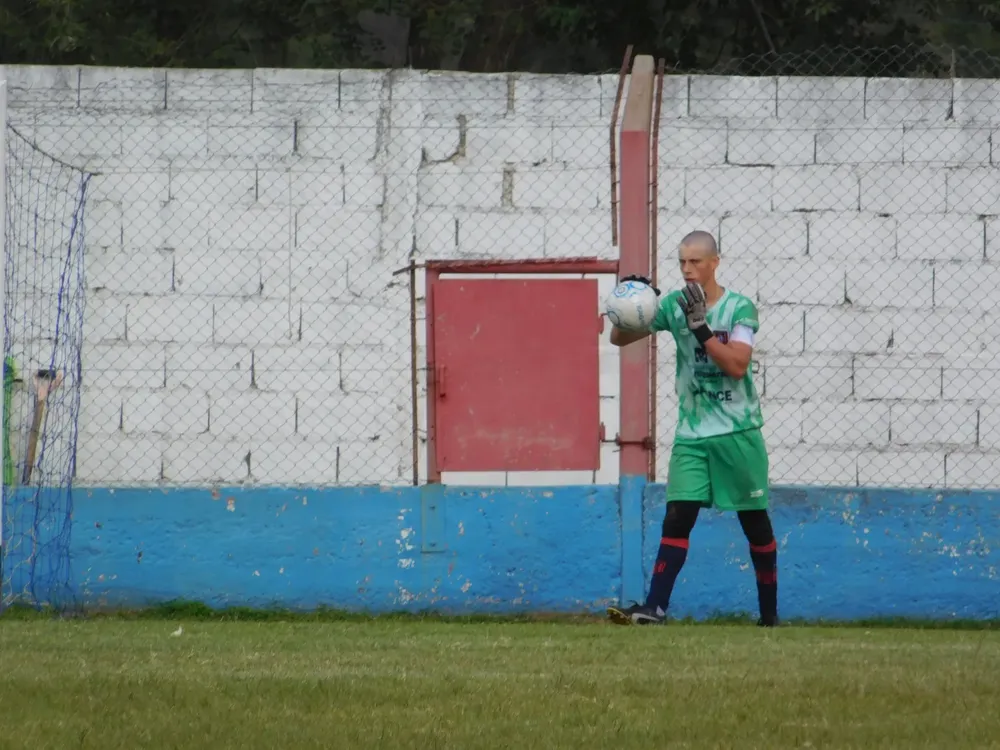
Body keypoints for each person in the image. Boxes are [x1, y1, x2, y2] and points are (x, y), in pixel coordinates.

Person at [605, 230, 779, 627]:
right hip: (693, 435)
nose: (687, 270)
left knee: (755, 524)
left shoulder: (739, 308)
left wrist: (701, 328)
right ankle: (655, 609)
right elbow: (619, 338)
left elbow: (736, 365)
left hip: (738, 433)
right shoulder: (673, 305)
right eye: (682, 262)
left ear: (714, 262)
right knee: (677, 516)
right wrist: (633, 301)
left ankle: (769, 617)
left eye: (695, 262)